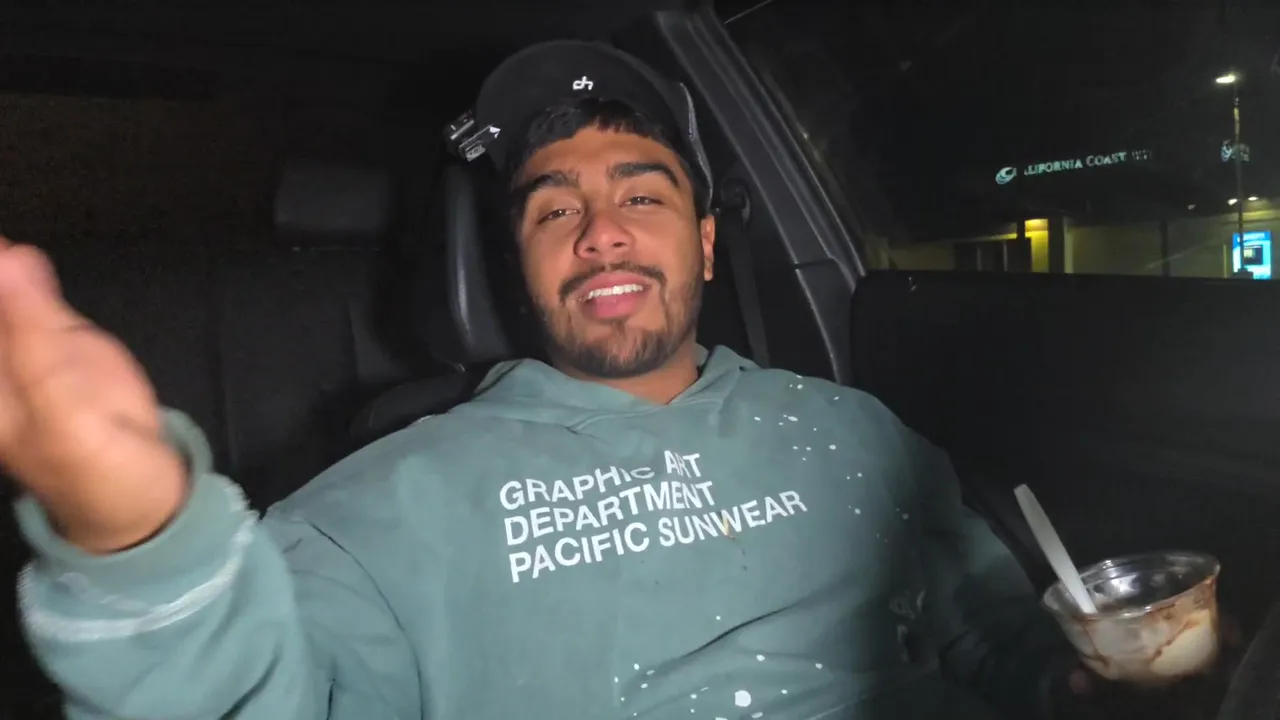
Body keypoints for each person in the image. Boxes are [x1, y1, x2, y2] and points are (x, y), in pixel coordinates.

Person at [2, 41, 1081, 720]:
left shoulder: (852, 429)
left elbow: (991, 631)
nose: (601, 232)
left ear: (707, 245)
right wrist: (138, 541)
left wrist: (1074, 680)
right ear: (518, 270)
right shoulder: (381, 510)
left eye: (642, 197)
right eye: (555, 209)